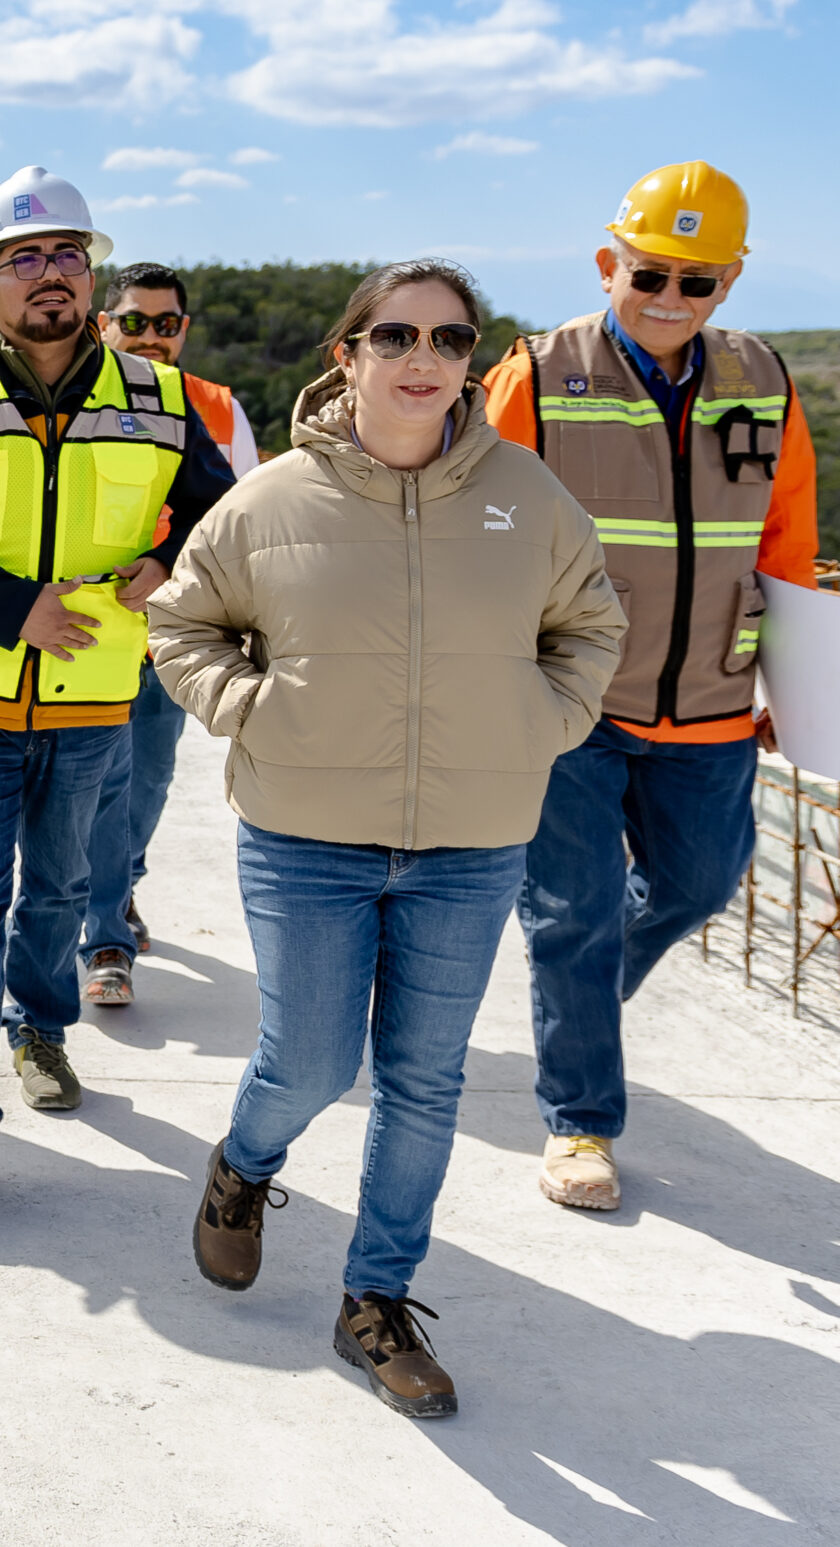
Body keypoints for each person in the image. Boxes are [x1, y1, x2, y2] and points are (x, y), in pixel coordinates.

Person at [150, 258, 623, 1418]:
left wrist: (539, 724)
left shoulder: (527, 494)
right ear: (346, 354)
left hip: (471, 840)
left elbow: (591, 625)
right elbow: (182, 622)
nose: (426, 359)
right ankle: (241, 1170)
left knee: (424, 1080)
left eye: (452, 340)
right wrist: (257, 711)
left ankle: (375, 1298)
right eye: (398, 336)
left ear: (472, 359)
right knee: (310, 1063)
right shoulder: (268, 501)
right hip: (305, 834)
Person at [0, 165, 233, 1167]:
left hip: (90, 697)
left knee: (62, 891)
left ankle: (41, 1033)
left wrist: (166, 560)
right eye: (20, 259)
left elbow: (219, 510)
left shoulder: (155, 396)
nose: (47, 274)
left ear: (90, 279)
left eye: (66, 255)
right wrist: (12, 611)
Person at [481, 163, 821, 1213]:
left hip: (713, 699)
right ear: (607, 264)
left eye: (700, 280)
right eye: (652, 273)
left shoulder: (764, 379)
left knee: (699, 885)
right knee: (572, 914)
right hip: (571, 702)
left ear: (729, 282)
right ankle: (580, 1122)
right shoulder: (535, 375)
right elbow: (482, 531)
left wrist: (793, 678)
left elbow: (787, 542)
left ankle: (572, 988)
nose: (671, 297)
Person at [79, 263, 261, 1002]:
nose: (151, 337)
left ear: (183, 330)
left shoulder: (218, 409)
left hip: (170, 645)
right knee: (95, 787)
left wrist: (173, 568)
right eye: (134, 321)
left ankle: (116, 887)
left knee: (146, 782)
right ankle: (105, 939)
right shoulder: (73, 401)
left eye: (166, 324)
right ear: (104, 325)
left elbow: (247, 523)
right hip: (84, 639)